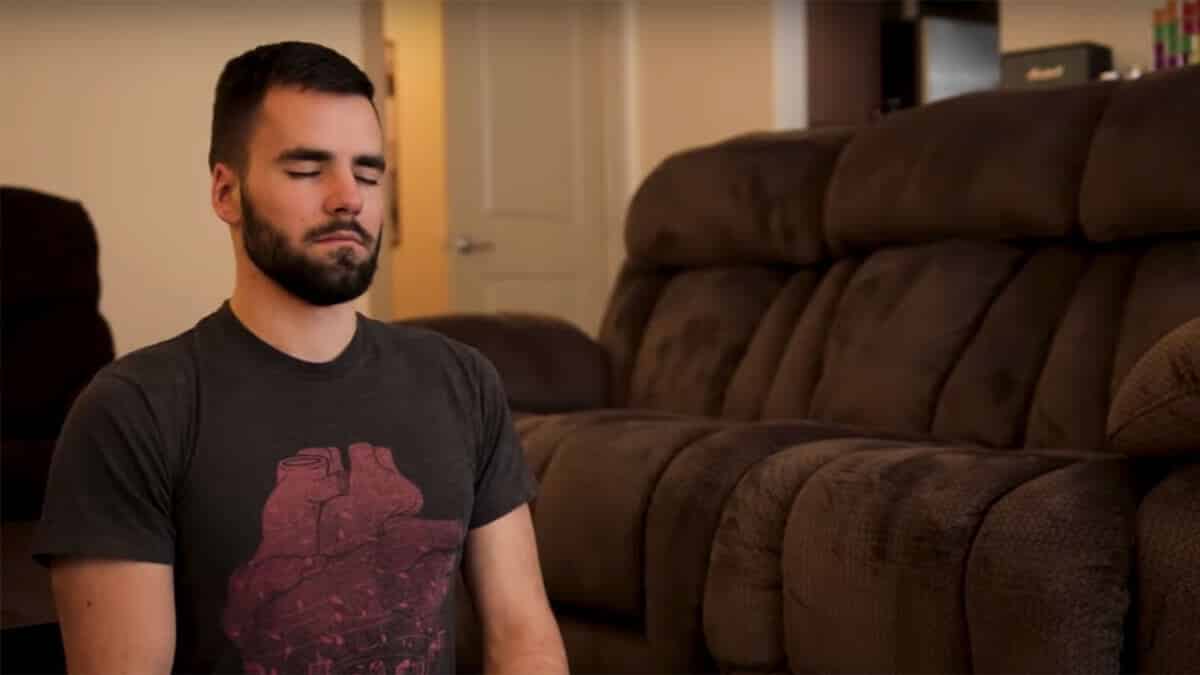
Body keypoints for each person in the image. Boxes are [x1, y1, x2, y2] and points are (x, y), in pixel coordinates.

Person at [33, 41, 568, 675]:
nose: (349, 198)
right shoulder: (134, 410)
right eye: (308, 170)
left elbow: (523, 637)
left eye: (368, 173)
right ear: (227, 193)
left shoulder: (461, 380)